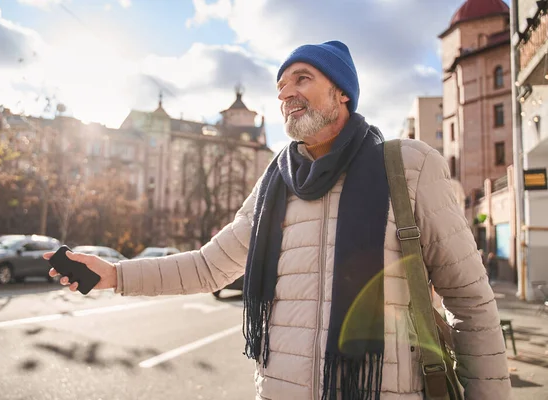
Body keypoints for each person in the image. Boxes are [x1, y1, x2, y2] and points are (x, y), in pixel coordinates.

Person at [44, 41, 511, 400]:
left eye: (302, 79)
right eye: (281, 85)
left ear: (341, 91)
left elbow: (471, 305)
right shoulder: (275, 182)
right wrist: (114, 275)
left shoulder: (408, 165)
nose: (286, 92)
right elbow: (210, 266)